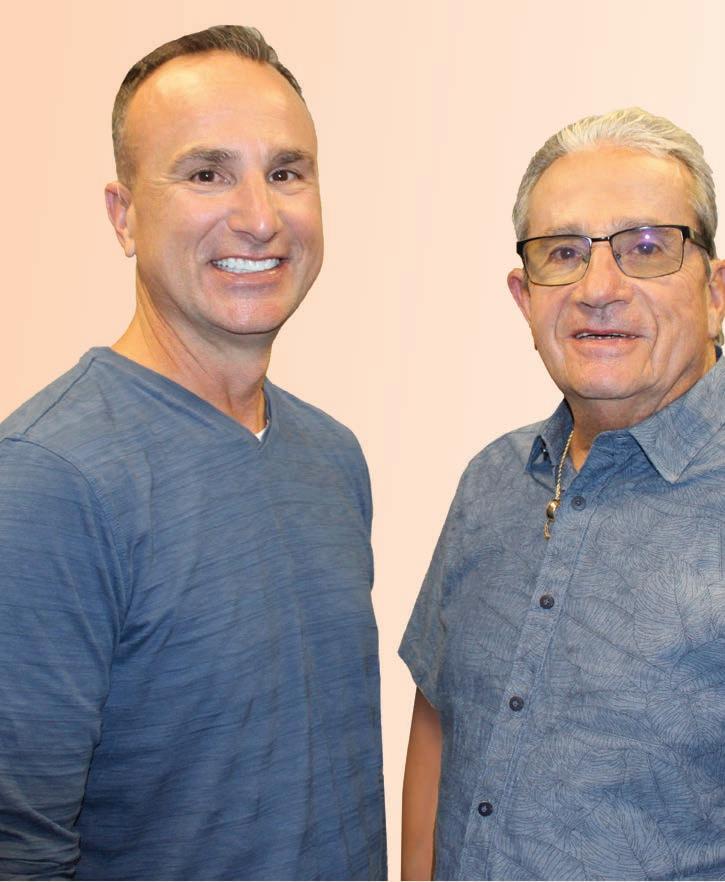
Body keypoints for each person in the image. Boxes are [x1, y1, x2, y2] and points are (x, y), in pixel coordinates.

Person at [0, 26, 386, 880]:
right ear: (125, 215)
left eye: (285, 172)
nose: (259, 217)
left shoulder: (331, 459)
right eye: (206, 173)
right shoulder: (47, 481)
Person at [400, 107, 725, 880]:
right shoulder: (490, 482)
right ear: (524, 297)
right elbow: (440, 720)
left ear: (714, 289)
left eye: (645, 247)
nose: (597, 289)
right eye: (563, 253)